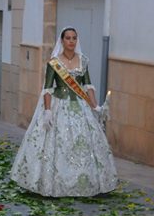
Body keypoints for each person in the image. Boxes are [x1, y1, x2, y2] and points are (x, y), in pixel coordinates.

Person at [10, 27, 118, 197]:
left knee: (84, 143)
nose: (71, 41)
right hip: (59, 106)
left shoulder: (83, 61)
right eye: (68, 38)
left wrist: (95, 106)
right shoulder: (54, 63)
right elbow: (47, 89)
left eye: (74, 38)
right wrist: (47, 112)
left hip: (80, 107)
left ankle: (85, 183)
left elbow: (88, 86)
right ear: (62, 41)